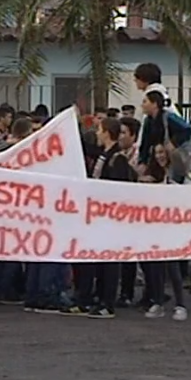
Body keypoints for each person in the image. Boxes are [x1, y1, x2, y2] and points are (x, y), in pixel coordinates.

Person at [81, 118, 136, 319]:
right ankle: (100, 296)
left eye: (99, 129)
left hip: (110, 217)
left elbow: (117, 190)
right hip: (99, 216)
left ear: (106, 132)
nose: (97, 133)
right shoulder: (105, 155)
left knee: (110, 261)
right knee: (101, 259)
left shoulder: (117, 159)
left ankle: (108, 302)